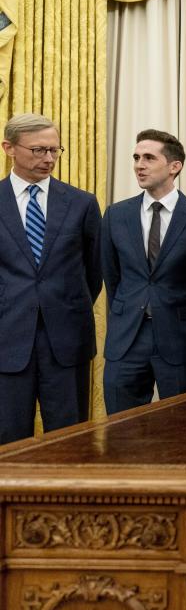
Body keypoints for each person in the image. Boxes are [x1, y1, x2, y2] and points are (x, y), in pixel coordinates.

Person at [0, 113, 101, 444]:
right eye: (39, 150)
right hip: (7, 339)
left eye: (55, 151)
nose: (49, 159)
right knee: (8, 442)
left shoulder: (82, 203)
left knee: (70, 441)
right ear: (9, 148)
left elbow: (94, 271)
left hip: (67, 340)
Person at [100, 130, 186, 414]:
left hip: (180, 338)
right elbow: (111, 275)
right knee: (121, 431)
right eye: (136, 157)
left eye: (149, 157)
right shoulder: (116, 214)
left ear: (175, 166)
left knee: (182, 429)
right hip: (126, 340)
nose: (139, 164)